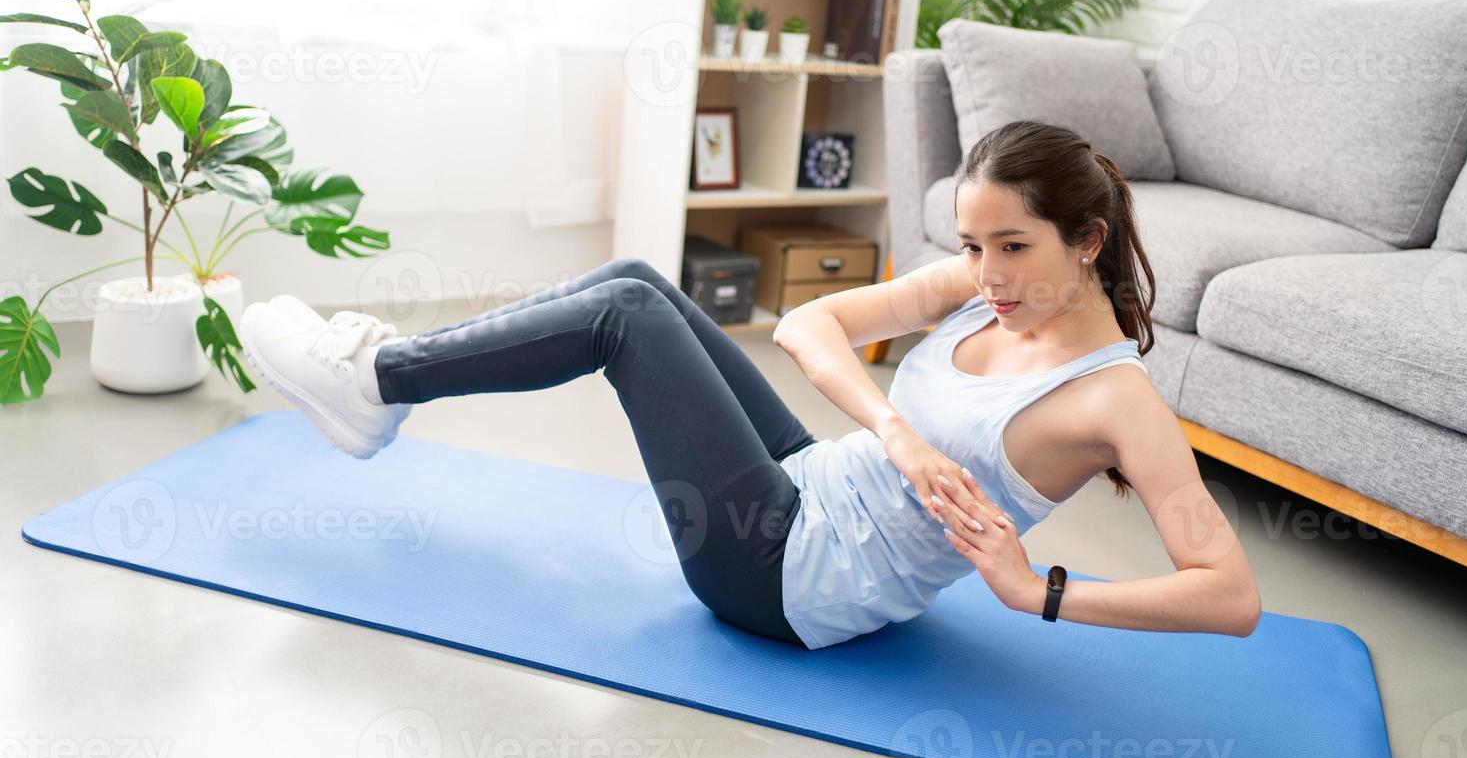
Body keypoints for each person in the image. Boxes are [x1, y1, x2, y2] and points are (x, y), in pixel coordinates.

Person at [238, 119, 1261, 651]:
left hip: (788, 577)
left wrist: (1034, 589)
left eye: (1013, 246)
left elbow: (1232, 594)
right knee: (640, 279)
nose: (985, 274)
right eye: (971, 243)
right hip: (816, 480)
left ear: (1086, 240)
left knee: (623, 320)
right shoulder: (985, 288)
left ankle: (371, 380)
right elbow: (811, 324)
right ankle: (385, 385)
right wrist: (896, 431)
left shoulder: (1112, 397)